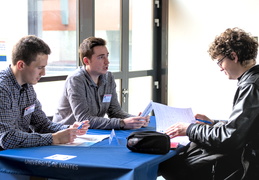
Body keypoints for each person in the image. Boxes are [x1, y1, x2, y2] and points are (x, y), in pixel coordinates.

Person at [158, 27, 259, 179]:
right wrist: (214, 123)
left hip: (248, 163)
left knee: (172, 166)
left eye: (220, 62)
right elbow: (245, 126)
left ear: (233, 56)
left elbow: (230, 138)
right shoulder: (252, 80)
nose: (220, 69)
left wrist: (190, 129)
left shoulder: (251, 86)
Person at [0, 35, 90, 150]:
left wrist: (69, 129)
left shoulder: (27, 86)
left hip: (19, 154)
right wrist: (54, 138)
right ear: (21, 65)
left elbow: (42, 124)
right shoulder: (2, 89)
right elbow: (6, 138)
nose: (43, 73)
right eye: (40, 68)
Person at [53, 37, 149, 129]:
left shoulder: (109, 77)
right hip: (67, 134)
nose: (107, 62)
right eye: (101, 57)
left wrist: (136, 119)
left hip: (92, 132)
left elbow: (115, 111)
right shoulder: (76, 80)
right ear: (86, 61)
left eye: (107, 56)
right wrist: (122, 123)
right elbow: (84, 119)